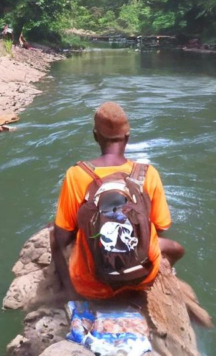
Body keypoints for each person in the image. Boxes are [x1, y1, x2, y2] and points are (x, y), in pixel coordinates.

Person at [51, 102, 184, 301]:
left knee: (54, 234)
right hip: (142, 278)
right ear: (127, 137)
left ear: (95, 136)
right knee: (174, 246)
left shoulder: (76, 175)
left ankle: (68, 292)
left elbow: (62, 239)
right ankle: (160, 276)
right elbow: (161, 226)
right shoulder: (148, 174)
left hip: (91, 284)